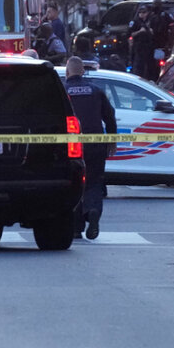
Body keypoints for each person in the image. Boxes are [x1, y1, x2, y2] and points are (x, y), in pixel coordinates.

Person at [65, 57, 117, 240]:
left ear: (67, 72)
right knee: (94, 181)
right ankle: (93, 210)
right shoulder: (95, 90)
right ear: (83, 72)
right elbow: (110, 116)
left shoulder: (63, 91)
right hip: (96, 144)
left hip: (71, 146)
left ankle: (75, 227)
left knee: (73, 183)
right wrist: (112, 140)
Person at [128, 5, 157, 80]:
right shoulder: (135, 22)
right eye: (140, 12)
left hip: (148, 46)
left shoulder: (149, 21)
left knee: (150, 65)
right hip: (139, 46)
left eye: (144, 12)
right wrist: (140, 32)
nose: (142, 14)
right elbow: (130, 34)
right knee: (138, 65)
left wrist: (150, 31)